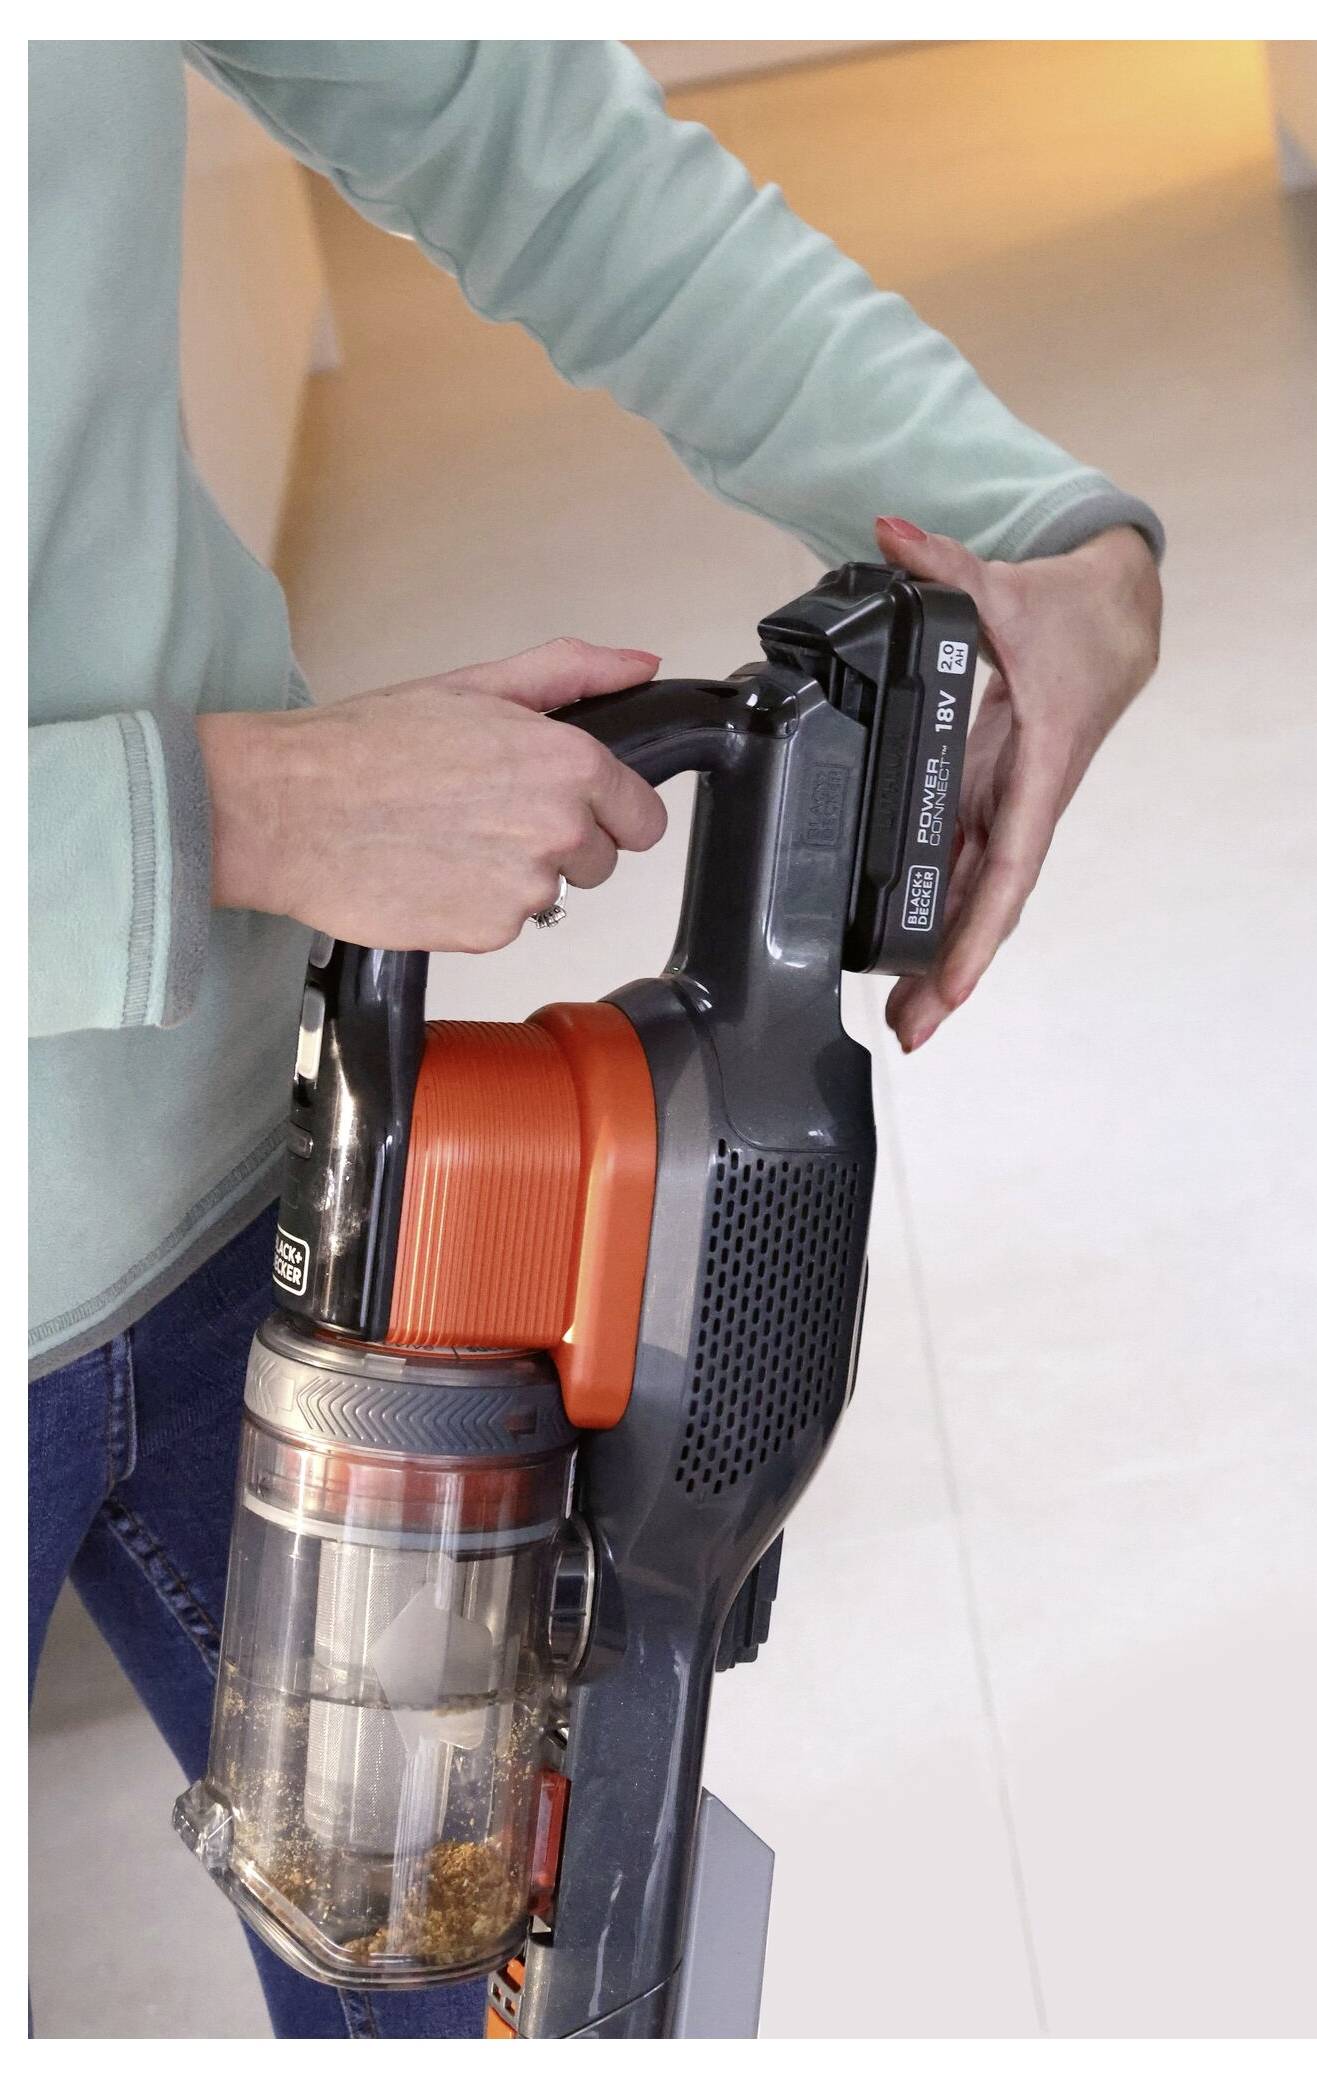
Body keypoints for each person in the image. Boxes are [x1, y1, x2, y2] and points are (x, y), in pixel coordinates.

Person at [28, 40, 1163, 2039]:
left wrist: (1028, 529)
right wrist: (220, 814)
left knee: (511, 1987)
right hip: (226, 974)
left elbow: (498, 118)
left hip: (277, 1185)